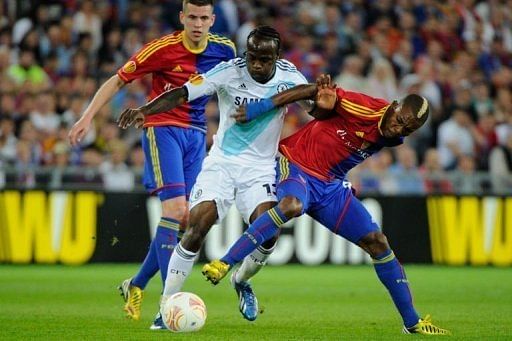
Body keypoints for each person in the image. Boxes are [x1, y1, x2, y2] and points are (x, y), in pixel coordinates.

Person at [202, 76, 451, 335]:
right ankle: (225, 262)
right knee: (291, 205)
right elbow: (312, 91)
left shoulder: (395, 134)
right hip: (297, 164)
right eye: (400, 121)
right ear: (395, 105)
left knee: (377, 242)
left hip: (331, 187)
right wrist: (263, 107)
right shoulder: (363, 107)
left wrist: (322, 111)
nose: (399, 130)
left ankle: (412, 322)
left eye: (407, 130)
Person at [118, 26, 311, 323]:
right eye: (252, 58)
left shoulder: (290, 77)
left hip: (260, 168)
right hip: (221, 163)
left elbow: (317, 108)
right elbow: (183, 93)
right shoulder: (228, 71)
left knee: (268, 233)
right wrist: (147, 110)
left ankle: (241, 280)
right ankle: (166, 306)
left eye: (265, 59)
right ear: (246, 53)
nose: (257, 65)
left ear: (277, 57)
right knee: (196, 226)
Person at [68, 0, 236, 328]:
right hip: (162, 131)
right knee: (175, 212)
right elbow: (117, 80)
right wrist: (87, 117)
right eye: (193, 17)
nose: (198, 24)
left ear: (213, 19)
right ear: (182, 18)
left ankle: (136, 284)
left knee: (187, 219)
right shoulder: (161, 49)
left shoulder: (225, 49)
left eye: (204, 18)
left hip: (197, 135)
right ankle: (168, 303)